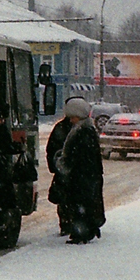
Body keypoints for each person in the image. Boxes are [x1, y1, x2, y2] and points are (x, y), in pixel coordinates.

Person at [56, 97, 106, 244]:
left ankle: (83, 232)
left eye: (73, 117)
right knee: (84, 204)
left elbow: (80, 157)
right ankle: (84, 231)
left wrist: (66, 164)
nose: (71, 120)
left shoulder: (83, 132)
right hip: (85, 176)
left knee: (81, 205)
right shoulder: (85, 130)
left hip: (82, 177)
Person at [45, 100, 77, 236]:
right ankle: (70, 224)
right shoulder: (80, 128)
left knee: (65, 200)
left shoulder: (61, 127)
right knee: (69, 199)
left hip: (64, 172)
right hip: (70, 172)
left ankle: (67, 224)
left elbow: (51, 149)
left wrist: (55, 167)